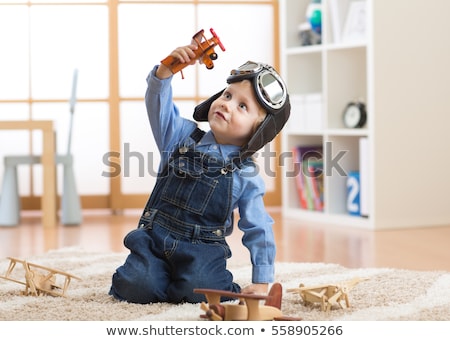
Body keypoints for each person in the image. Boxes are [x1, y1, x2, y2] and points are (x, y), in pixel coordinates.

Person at [109, 41, 290, 304]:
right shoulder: (181, 136)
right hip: (155, 240)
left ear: (258, 131)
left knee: (204, 292)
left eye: (242, 106)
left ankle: (177, 283)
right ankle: (159, 278)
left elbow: (258, 227)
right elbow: (157, 106)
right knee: (136, 285)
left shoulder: (245, 173)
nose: (227, 104)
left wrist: (262, 279)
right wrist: (166, 71)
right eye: (227, 95)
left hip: (202, 251)